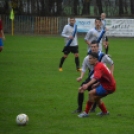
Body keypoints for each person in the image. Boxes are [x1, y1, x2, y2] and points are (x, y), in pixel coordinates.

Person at [73, 40, 114, 113]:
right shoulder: (87, 58)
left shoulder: (103, 56)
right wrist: (81, 77)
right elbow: (84, 68)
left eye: (95, 47)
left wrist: (111, 74)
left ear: (98, 47)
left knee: (94, 93)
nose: (93, 48)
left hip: (100, 78)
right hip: (91, 77)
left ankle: (92, 109)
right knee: (81, 89)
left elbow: (112, 63)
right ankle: (79, 108)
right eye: (92, 47)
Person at [78, 52, 116, 118]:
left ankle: (85, 113)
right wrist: (97, 84)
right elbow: (103, 77)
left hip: (108, 86)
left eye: (90, 58)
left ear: (95, 59)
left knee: (91, 93)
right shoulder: (99, 65)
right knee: (96, 98)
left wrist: (87, 85)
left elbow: (95, 78)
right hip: (109, 85)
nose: (89, 60)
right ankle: (105, 112)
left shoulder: (98, 66)